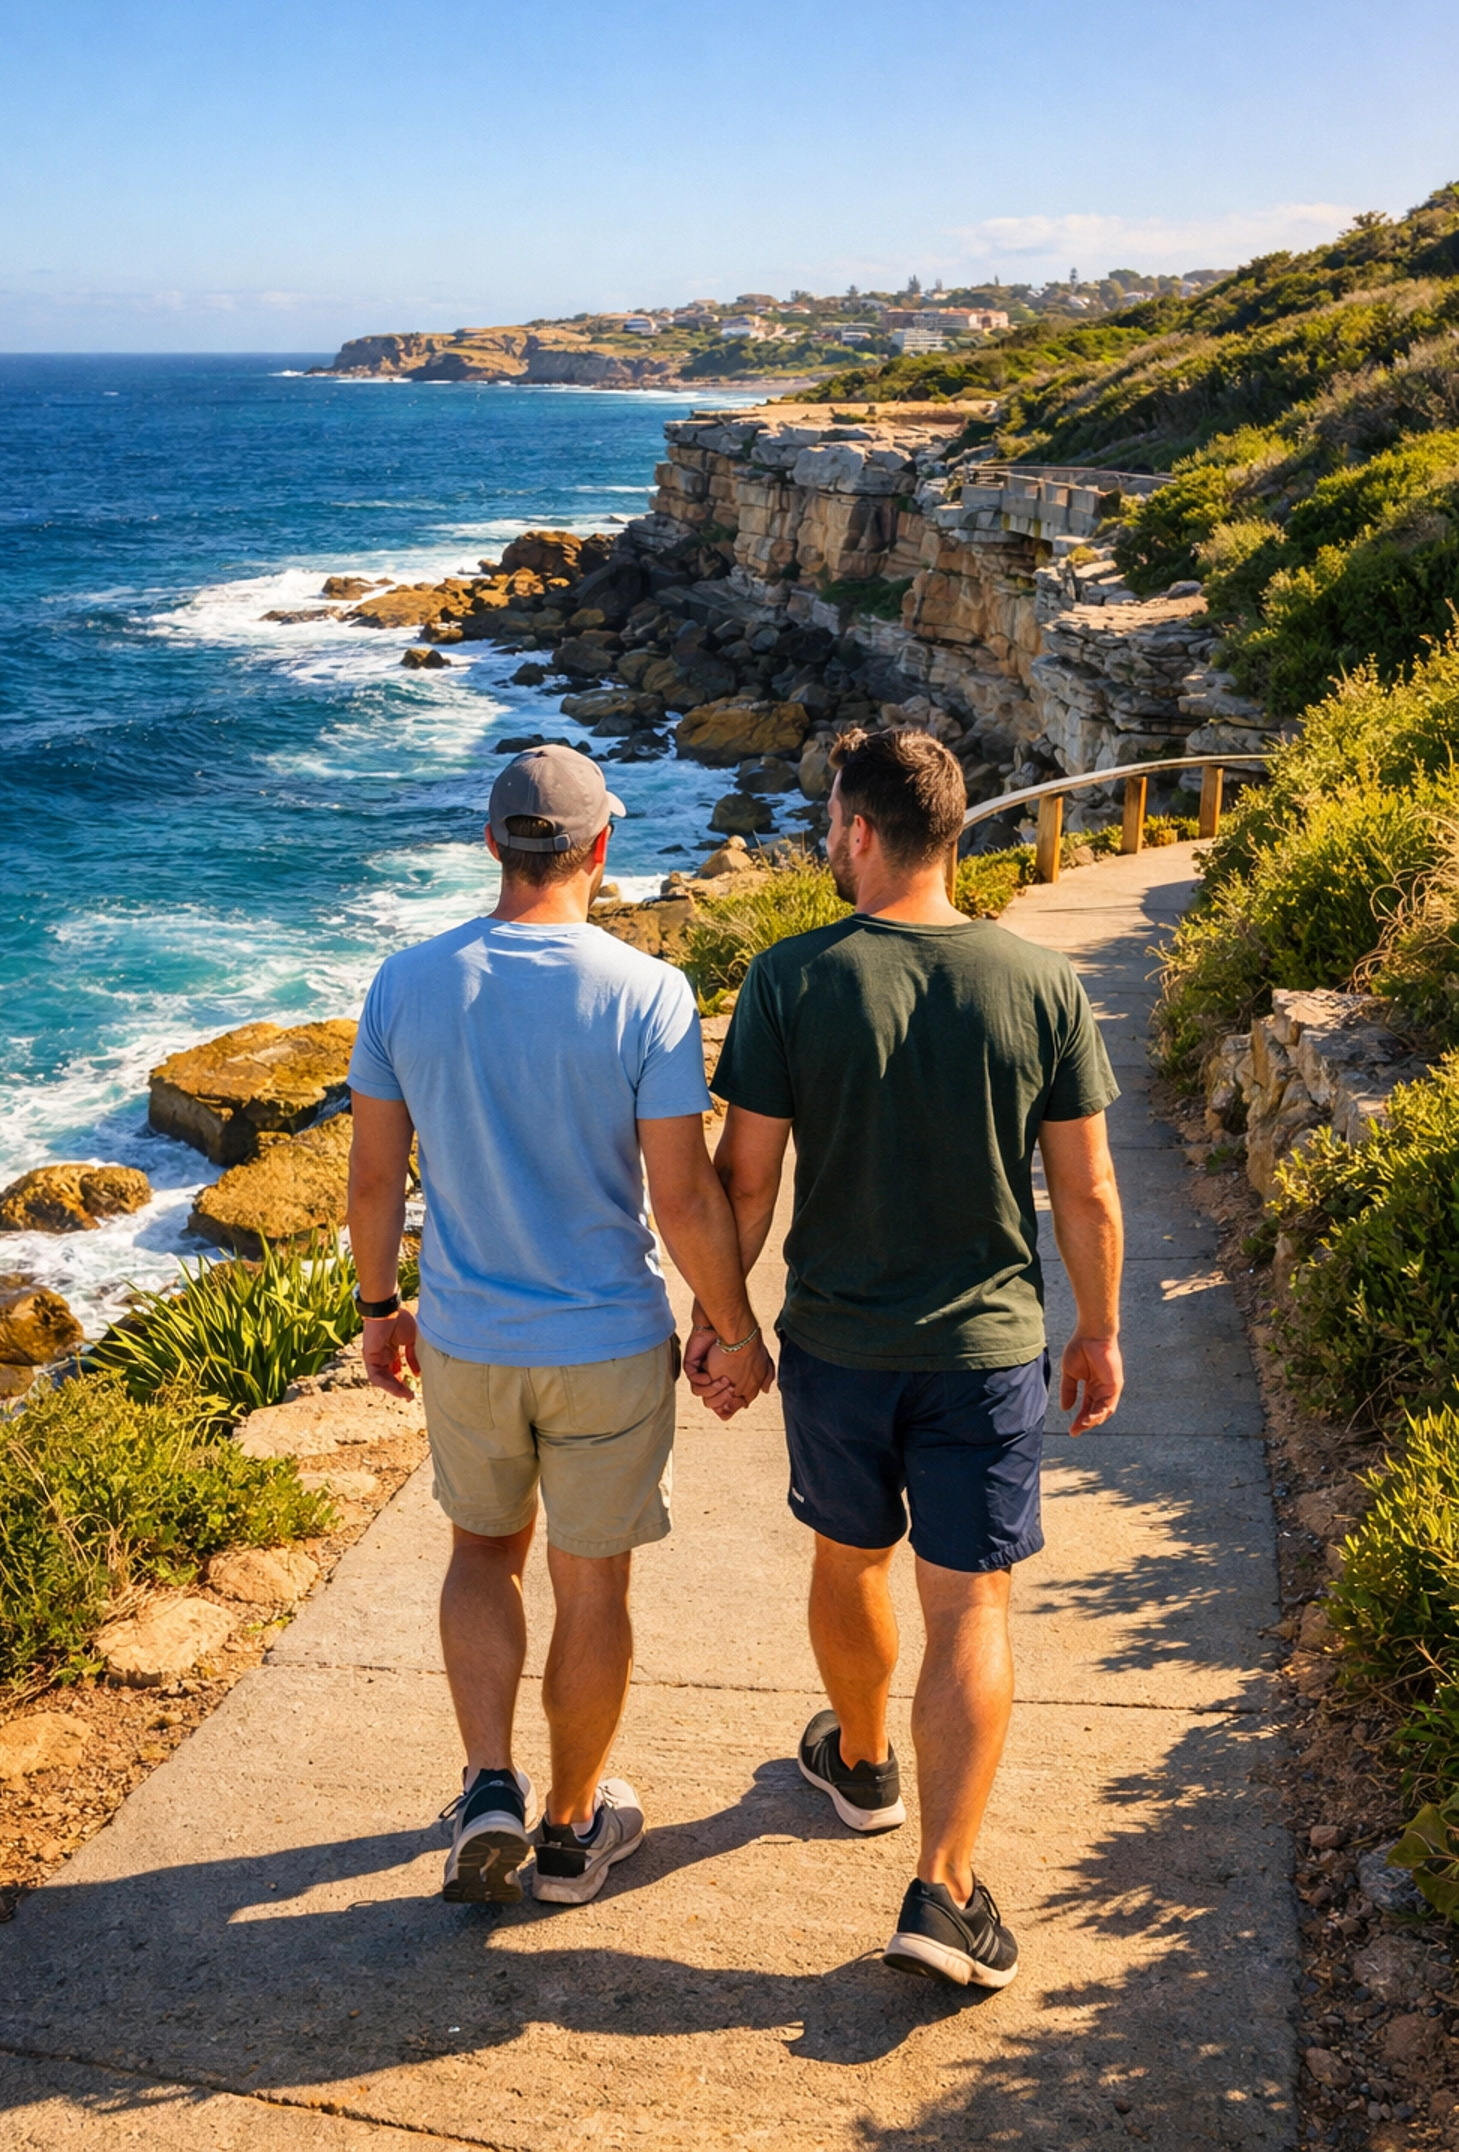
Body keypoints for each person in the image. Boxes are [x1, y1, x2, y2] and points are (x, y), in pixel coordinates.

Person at [688, 726, 1124, 1991]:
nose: (826, 839)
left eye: (830, 820)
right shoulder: (1038, 982)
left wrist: (726, 1327)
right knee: (970, 1603)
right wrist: (1096, 1330)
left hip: (836, 1345)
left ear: (861, 833)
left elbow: (743, 1182)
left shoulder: (791, 978)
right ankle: (942, 1889)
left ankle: (864, 1760)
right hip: (987, 1351)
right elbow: (1086, 1191)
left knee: (848, 1555)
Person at [346, 745, 771, 1907]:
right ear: (600, 850)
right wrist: (731, 1329)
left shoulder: (405, 984)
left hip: (471, 1343)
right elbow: (681, 1197)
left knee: (482, 1553)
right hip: (605, 1347)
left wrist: (382, 1310)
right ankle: (576, 1830)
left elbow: (373, 1185)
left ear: (493, 845)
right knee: (593, 1586)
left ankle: (489, 1786)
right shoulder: (647, 992)